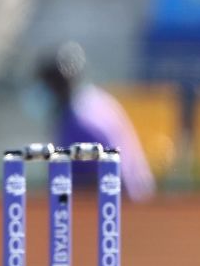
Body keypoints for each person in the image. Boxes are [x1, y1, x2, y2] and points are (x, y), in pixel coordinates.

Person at [33, 43, 157, 201]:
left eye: (45, 85)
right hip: (129, 197)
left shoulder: (80, 121)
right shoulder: (93, 98)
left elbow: (102, 180)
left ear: (55, 86)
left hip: (117, 208)